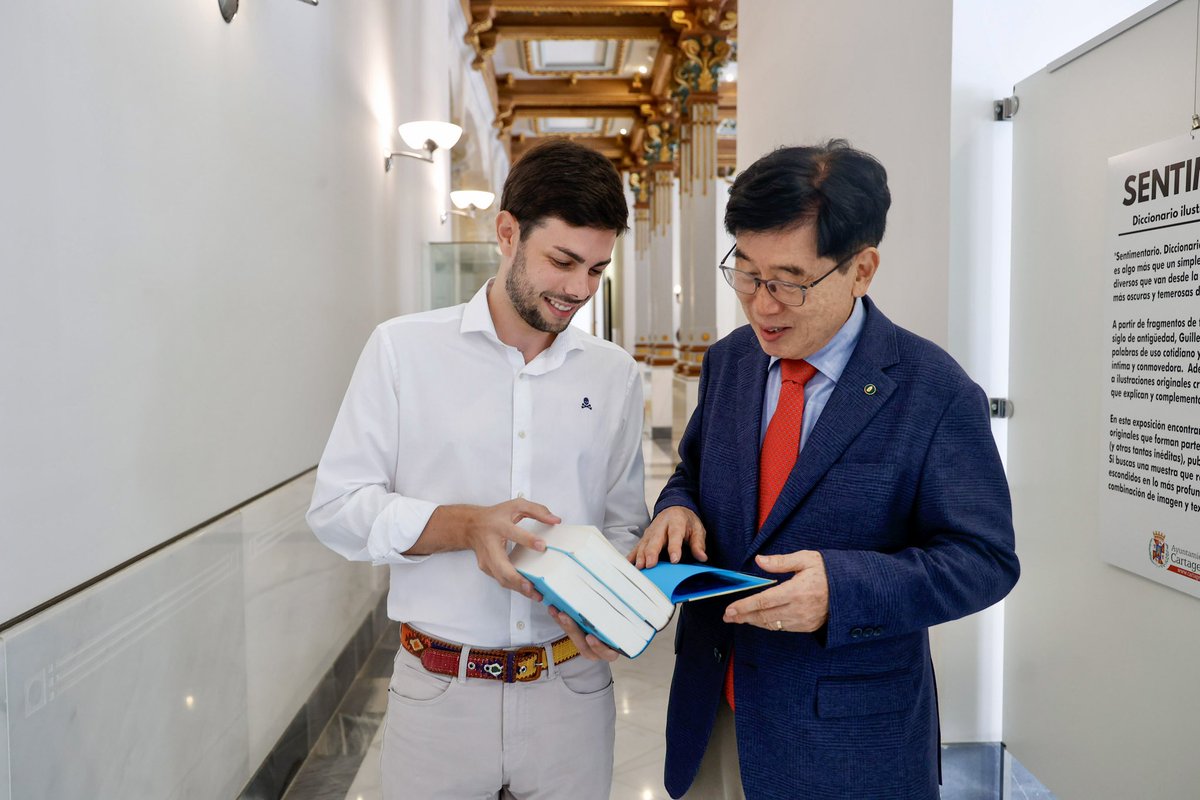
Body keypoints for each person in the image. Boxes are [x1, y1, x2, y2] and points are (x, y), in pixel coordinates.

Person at [631, 140, 1020, 800]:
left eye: (787, 280)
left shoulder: (933, 391)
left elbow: (985, 560)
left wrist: (842, 589)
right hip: (714, 713)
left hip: (844, 746)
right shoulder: (732, 362)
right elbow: (693, 472)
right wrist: (677, 505)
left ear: (861, 269)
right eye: (747, 273)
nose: (761, 304)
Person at [307, 138, 650, 800]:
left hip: (572, 693)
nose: (579, 289)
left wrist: (617, 605)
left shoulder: (614, 376)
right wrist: (464, 526)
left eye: (597, 270)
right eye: (563, 261)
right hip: (438, 697)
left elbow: (622, 521)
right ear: (505, 232)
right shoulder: (402, 350)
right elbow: (337, 509)